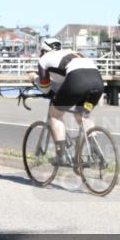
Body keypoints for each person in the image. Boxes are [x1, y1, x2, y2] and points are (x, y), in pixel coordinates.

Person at [31, 37, 104, 167]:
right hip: (97, 84)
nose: (40, 55)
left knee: (55, 115)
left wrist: (35, 79)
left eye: (40, 52)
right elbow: (65, 81)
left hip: (77, 81)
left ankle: (61, 156)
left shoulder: (44, 59)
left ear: (43, 51)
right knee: (82, 115)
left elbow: (45, 87)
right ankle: (96, 151)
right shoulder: (72, 53)